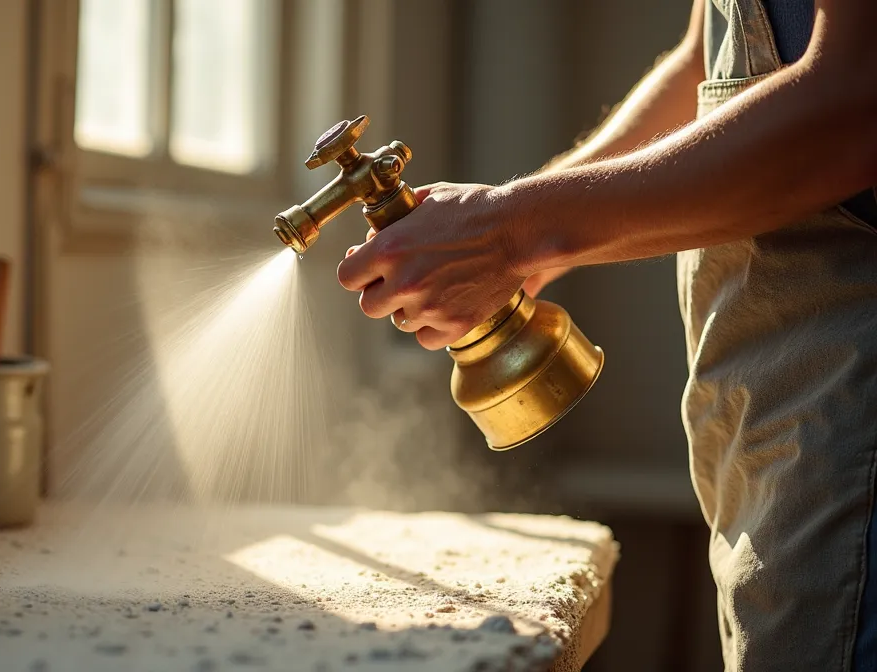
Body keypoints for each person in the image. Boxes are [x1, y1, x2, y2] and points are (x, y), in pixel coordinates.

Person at [338, 0, 877, 669]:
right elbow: (701, 63)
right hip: (774, 428)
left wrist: (510, 231)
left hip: (853, 423)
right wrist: (521, 242)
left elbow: (854, 104)